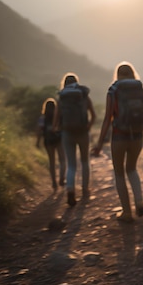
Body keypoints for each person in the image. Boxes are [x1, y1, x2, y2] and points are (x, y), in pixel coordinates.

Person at [91, 62, 143, 223]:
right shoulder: (138, 89)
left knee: (119, 172)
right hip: (137, 135)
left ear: (117, 74)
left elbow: (108, 118)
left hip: (119, 136)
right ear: (132, 74)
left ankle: (127, 212)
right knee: (132, 169)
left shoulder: (113, 90)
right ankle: (139, 201)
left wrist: (100, 143)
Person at [53, 73, 96, 207]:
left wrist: (57, 129)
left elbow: (55, 121)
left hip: (67, 133)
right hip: (83, 132)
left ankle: (70, 189)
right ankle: (85, 189)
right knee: (84, 161)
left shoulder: (62, 99)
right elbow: (93, 116)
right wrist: (87, 126)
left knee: (71, 164)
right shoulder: (84, 96)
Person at [35, 98, 66, 190]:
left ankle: (54, 182)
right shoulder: (58, 116)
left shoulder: (42, 118)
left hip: (48, 141)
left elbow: (39, 131)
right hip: (59, 139)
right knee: (62, 160)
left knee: (51, 162)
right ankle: (61, 178)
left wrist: (37, 142)